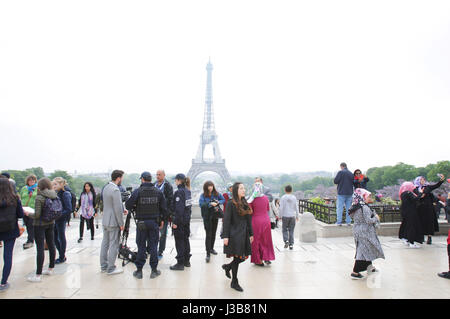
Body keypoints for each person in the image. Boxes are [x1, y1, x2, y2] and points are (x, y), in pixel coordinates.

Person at [125, 172, 167, 279]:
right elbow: (164, 209)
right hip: (154, 222)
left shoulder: (137, 191)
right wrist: (162, 220)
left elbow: (128, 205)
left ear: (143, 179)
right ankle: (154, 270)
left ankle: (139, 271)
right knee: (153, 246)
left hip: (142, 222)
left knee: (141, 246)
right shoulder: (158, 192)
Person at [24, 177, 57, 283]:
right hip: (51, 222)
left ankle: (38, 275)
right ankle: (51, 268)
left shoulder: (40, 197)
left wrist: (28, 214)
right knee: (51, 245)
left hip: (39, 224)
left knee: (40, 249)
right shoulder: (53, 194)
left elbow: (37, 214)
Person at [222, 182, 254, 292]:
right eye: (241, 188)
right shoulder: (231, 203)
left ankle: (228, 267)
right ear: (236, 190)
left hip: (244, 234)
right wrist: (225, 236)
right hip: (234, 235)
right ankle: (234, 282)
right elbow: (226, 221)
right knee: (237, 257)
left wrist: (251, 234)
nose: (244, 190)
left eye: (244, 188)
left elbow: (249, 221)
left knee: (243, 257)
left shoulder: (245, 203)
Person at [348, 188, 385, 280]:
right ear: (363, 196)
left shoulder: (356, 205)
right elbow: (368, 220)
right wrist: (376, 218)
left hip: (359, 230)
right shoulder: (363, 207)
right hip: (364, 231)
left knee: (366, 248)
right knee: (363, 250)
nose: (370, 197)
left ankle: (370, 268)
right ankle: (355, 272)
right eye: (368, 196)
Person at [100, 170, 127, 275]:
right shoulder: (115, 190)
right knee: (113, 245)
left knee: (105, 243)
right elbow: (117, 207)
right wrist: (121, 223)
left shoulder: (106, 187)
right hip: (113, 221)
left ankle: (103, 266)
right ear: (119, 178)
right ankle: (111, 268)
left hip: (105, 219)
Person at [0, 177, 24, 291]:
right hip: (10, 229)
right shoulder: (15, 199)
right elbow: (20, 215)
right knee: (7, 256)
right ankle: (3, 282)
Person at [248, 182, 275, 266]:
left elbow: (250, 212)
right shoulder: (266, 198)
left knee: (256, 241)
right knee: (266, 240)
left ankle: (258, 259)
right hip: (266, 220)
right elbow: (267, 208)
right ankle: (267, 257)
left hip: (256, 220)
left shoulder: (251, 199)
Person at [413, 174, 445, 245]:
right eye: (421, 180)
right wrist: (421, 193)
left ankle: (429, 237)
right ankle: (421, 237)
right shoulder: (415, 189)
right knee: (421, 222)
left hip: (428, 208)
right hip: (420, 208)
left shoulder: (427, 187)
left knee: (429, 222)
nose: (423, 181)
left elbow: (436, 185)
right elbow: (418, 197)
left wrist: (441, 180)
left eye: (424, 180)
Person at [170, 174, 192, 271]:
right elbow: (189, 208)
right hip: (186, 221)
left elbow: (179, 210)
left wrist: (175, 222)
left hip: (180, 221)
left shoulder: (179, 192)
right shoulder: (188, 191)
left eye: (175, 180)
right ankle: (187, 260)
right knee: (186, 240)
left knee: (179, 241)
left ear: (178, 180)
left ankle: (180, 263)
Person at [199, 181, 225, 263]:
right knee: (208, 234)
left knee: (213, 233)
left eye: (211, 186)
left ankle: (211, 248)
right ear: (206, 187)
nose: (210, 187)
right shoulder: (202, 195)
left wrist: (218, 202)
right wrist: (211, 204)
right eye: (208, 186)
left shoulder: (217, 194)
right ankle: (207, 253)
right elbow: (201, 204)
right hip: (207, 217)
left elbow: (223, 200)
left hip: (215, 216)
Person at [398, 181, 425, 248]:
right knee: (411, 227)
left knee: (407, 226)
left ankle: (407, 239)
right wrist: (420, 193)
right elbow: (415, 199)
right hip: (411, 212)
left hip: (405, 212)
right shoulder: (408, 193)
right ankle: (411, 242)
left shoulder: (402, 194)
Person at [52, 177, 72, 264]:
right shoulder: (55, 193)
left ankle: (61, 256)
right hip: (55, 218)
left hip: (61, 218)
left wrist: (58, 214)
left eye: (55, 184)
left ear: (61, 184)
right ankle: (61, 254)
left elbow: (68, 208)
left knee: (61, 236)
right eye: (53, 184)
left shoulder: (65, 194)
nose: (53, 186)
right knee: (54, 237)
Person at [154, 170, 173, 260]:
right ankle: (153, 249)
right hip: (153, 213)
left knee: (162, 234)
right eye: (157, 174)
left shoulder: (168, 186)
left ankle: (160, 250)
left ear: (164, 175)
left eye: (159, 175)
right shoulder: (154, 185)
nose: (157, 176)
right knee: (153, 234)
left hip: (163, 214)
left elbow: (170, 200)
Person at [19, 174, 38, 249]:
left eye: (33, 180)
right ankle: (30, 239)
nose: (31, 182)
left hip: (33, 209)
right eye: (30, 180)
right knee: (27, 225)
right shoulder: (24, 188)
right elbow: (21, 197)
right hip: (24, 208)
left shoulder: (37, 188)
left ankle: (30, 240)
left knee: (31, 225)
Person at [279, 185, 299, 249]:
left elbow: (281, 208)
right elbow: (296, 207)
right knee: (291, 230)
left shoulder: (283, 197)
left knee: (284, 229)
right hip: (292, 216)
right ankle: (291, 244)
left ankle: (286, 240)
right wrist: (297, 216)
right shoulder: (294, 197)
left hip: (285, 215)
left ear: (285, 190)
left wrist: (280, 215)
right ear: (291, 190)